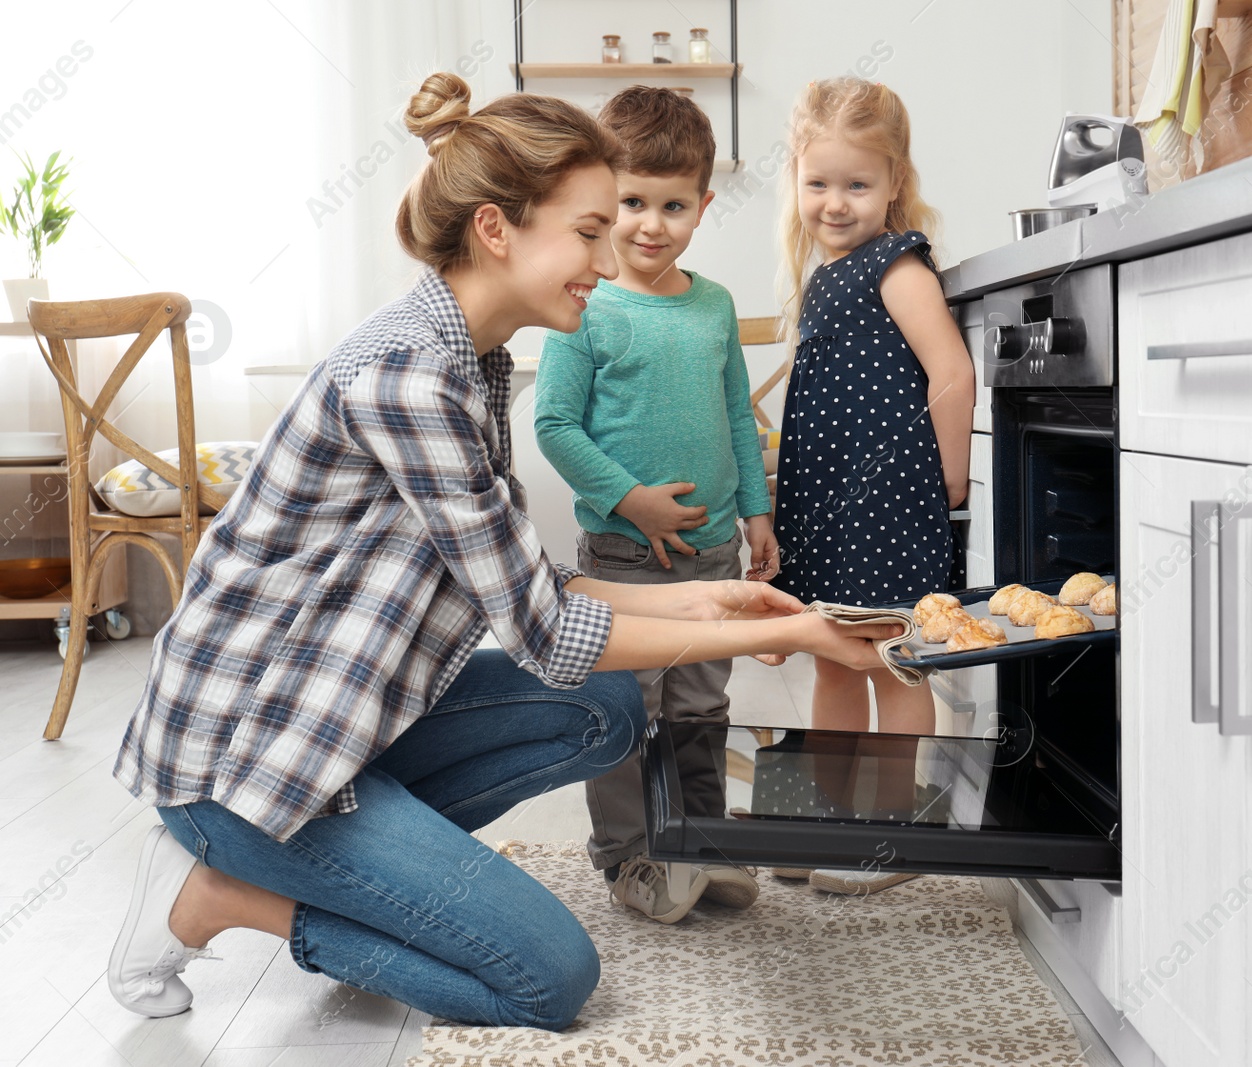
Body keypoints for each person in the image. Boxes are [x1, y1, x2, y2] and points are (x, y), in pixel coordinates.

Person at [104, 72, 900, 1030]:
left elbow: (528, 582)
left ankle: (374, 875)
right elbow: (544, 629)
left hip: (335, 732)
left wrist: (714, 601)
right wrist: (801, 632)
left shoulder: (473, 362)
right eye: (590, 230)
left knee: (604, 710)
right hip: (245, 767)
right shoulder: (408, 378)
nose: (607, 260)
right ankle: (223, 892)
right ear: (497, 229)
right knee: (547, 977)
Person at [534, 86, 775, 924]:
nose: (650, 224)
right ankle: (630, 858)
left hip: (715, 553)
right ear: (605, 201)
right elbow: (554, 424)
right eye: (632, 202)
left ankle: (701, 844)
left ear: (703, 206)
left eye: (674, 206)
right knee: (626, 710)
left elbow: (739, 418)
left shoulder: (712, 306)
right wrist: (631, 499)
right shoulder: (583, 305)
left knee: (703, 707)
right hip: (626, 560)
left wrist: (757, 513)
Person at [769, 77, 975, 895]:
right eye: (819, 183)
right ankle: (827, 818)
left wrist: (949, 480)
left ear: (895, 183)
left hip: (890, 500)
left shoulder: (898, 262)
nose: (836, 202)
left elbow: (950, 373)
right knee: (832, 662)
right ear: (796, 180)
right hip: (830, 505)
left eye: (858, 184)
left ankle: (890, 837)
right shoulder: (824, 277)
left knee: (896, 663)